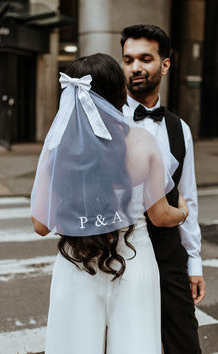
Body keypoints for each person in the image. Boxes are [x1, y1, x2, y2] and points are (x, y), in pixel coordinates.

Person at [31, 53, 189, 354]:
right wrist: (182, 210)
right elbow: (160, 216)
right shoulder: (142, 142)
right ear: (119, 94)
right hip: (133, 262)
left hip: (77, 261)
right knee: (136, 344)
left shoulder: (57, 150)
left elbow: (41, 225)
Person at [121, 24, 206, 354]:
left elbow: (190, 196)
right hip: (120, 252)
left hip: (168, 253)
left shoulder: (178, 128)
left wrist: (194, 263)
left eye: (145, 58)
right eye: (128, 60)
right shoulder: (106, 118)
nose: (136, 67)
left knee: (184, 342)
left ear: (165, 64)